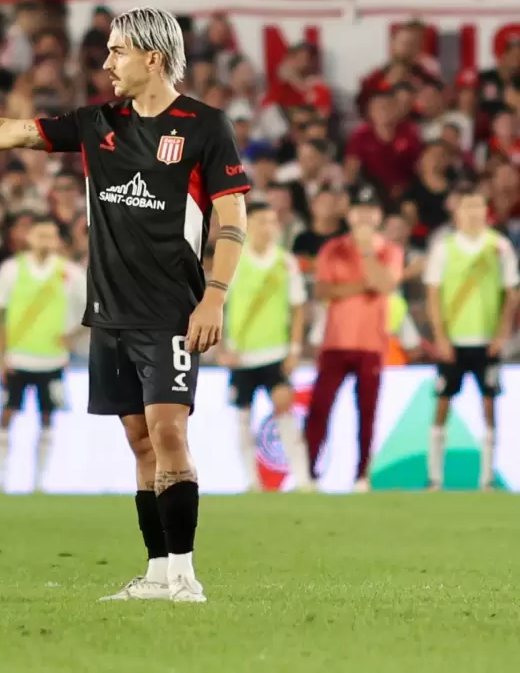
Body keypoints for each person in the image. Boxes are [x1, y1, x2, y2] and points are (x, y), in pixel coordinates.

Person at [0, 6, 251, 603]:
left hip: (171, 309)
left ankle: (186, 576)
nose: (106, 62)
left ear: (153, 57)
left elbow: (232, 223)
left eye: (117, 51)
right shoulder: (99, 123)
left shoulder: (204, 126)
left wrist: (214, 298)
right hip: (110, 313)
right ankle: (155, 574)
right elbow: (8, 130)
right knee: (141, 443)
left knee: (170, 433)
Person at [304, 186, 403, 492]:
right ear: (349, 215)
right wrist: (363, 284)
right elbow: (323, 291)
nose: (363, 216)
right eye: (358, 210)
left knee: (367, 412)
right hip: (335, 342)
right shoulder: (332, 248)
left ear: (378, 215)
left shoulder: (389, 250)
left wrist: (366, 253)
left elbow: (385, 285)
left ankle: (362, 475)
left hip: (371, 344)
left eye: (369, 210)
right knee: (319, 409)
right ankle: (308, 472)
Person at [423, 181, 519, 491]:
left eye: (479, 206)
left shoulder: (499, 246)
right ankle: (435, 477)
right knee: (442, 402)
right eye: (468, 207)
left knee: (490, 404)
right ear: (457, 212)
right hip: (453, 340)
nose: (474, 213)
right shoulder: (443, 248)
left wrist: (502, 334)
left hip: (486, 340)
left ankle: (487, 477)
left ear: (486, 211)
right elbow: (433, 294)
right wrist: (440, 336)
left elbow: (511, 294)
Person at [0, 215, 87, 494]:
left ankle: (40, 482)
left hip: (52, 359)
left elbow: (95, 306)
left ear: (58, 241)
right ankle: (0, 479)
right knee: (7, 414)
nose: (44, 241)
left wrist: (74, 335)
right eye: (39, 235)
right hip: (17, 358)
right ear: (29, 238)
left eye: (50, 235)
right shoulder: (11, 270)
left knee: (47, 417)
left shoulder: (70, 273)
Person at [221, 203, 311, 492]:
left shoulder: (286, 262)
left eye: (272, 221)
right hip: (242, 355)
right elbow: (218, 306)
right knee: (243, 418)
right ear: (248, 225)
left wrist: (295, 350)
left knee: (285, 411)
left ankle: (303, 479)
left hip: (275, 352)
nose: (267, 227)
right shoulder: (233, 259)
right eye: (261, 221)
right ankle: (252, 482)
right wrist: (223, 346)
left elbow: (298, 308)